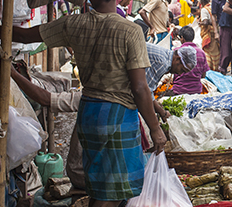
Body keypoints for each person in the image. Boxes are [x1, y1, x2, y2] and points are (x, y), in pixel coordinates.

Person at [0, 0, 165, 207]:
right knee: (111, 195)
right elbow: (140, 87)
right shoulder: (130, 31)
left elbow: (25, 35)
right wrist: (155, 129)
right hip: (118, 116)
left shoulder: (72, 24)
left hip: (89, 112)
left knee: (99, 187)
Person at [10, 52, 182, 190]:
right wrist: (13, 75)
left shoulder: (119, 98)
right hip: (92, 177)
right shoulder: (95, 97)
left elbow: (45, 98)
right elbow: (45, 98)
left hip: (105, 177)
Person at [172, 27, 209, 95]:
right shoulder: (201, 53)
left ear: (182, 38)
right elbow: (203, 75)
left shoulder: (176, 52)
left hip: (179, 90)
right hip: (196, 91)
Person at [212, 0, 232, 74]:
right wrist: (215, 32)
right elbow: (213, 16)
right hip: (225, 26)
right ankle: (222, 71)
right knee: (226, 53)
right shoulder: (217, 0)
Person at [198, 0, 220, 71]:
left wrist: (200, 23)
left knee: (209, 53)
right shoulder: (212, 6)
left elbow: (206, 22)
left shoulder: (204, 9)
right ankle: (216, 68)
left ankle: (211, 70)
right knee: (216, 52)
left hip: (209, 34)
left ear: (201, 2)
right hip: (216, 31)